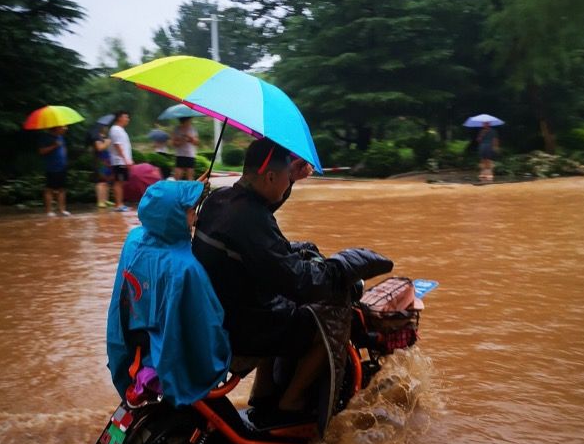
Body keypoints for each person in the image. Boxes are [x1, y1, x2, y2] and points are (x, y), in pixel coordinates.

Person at [193, 138, 393, 419]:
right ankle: (293, 402)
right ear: (271, 176)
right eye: (287, 178)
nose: (288, 183)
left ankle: (262, 393)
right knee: (321, 322)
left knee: (280, 303)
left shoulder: (219, 199)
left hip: (218, 313)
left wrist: (293, 178)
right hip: (239, 327)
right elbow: (301, 282)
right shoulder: (251, 220)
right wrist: (343, 267)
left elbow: (258, 215)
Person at [107, 180, 231, 406]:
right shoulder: (186, 268)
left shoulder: (134, 240)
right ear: (174, 216)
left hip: (131, 349)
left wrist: (182, 195)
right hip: (162, 361)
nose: (195, 216)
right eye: (191, 211)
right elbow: (206, 330)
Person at [38, 126, 70, 217]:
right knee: (49, 189)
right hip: (51, 167)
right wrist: (54, 146)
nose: (65, 128)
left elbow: (63, 149)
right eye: (63, 127)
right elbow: (42, 151)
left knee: (62, 188)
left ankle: (62, 210)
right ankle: (49, 211)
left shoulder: (61, 137)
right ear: (56, 128)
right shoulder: (45, 137)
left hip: (62, 166)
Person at [109, 110, 133, 212]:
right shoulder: (116, 129)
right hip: (119, 161)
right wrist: (125, 159)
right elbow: (117, 145)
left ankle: (120, 204)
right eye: (126, 117)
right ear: (119, 118)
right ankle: (118, 205)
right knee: (118, 182)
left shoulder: (121, 130)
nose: (127, 119)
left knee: (120, 182)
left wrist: (129, 159)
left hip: (122, 161)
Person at [92, 125, 114, 208]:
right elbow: (99, 148)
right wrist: (107, 142)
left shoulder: (105, 137)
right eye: (104, 127)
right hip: (100, 162)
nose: (106, 128)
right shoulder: (97, 138)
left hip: (107, 162)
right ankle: (100, 201)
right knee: (101, 182)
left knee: (107, 182)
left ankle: (105, 200)